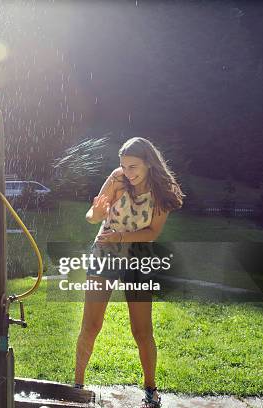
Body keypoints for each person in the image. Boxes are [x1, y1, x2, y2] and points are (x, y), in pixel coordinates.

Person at [74, 137, 184, 408]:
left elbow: (152, 232)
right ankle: (76, 386)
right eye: (124, 166)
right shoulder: (118, 178)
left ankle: (150, 389)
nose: (128, 172)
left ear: (148, 163)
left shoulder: (162, 192)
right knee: (91, 325)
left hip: (138, 257)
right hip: (104, 254)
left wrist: (120, 237)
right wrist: (96, 213)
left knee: (142, 330)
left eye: (133, 167)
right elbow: (93, 215)